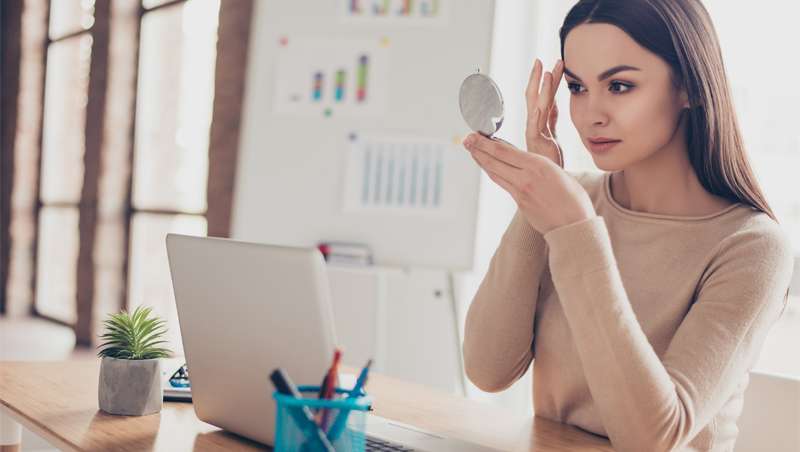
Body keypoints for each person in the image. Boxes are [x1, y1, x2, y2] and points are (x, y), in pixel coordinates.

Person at [460, 1, 795, 451]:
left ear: (689, 87)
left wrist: (573, 228)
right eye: (577, 87)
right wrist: (535, 204)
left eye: (619, 85)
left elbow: (650, 440)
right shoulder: (568, 202)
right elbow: (488, 369)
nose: (590, 114)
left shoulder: (752, 247)